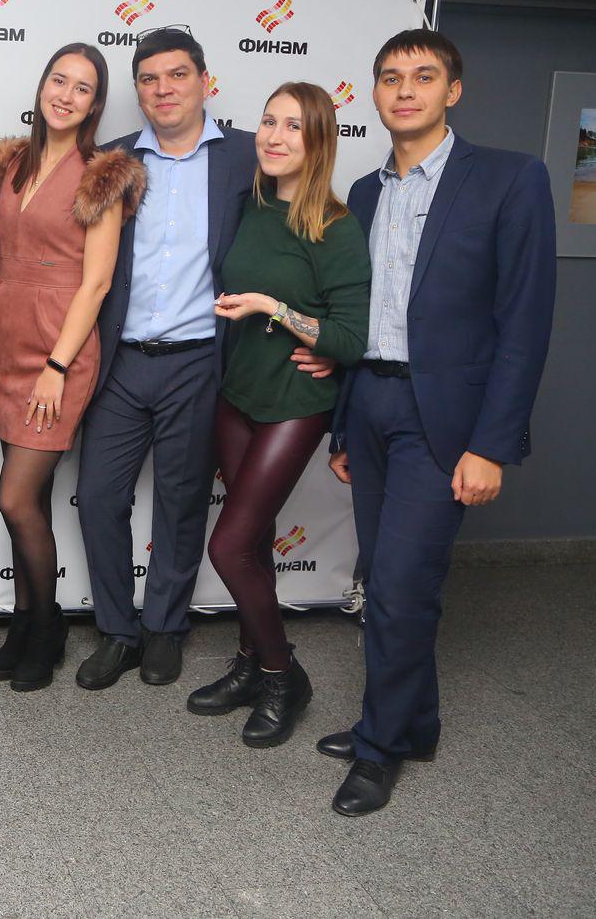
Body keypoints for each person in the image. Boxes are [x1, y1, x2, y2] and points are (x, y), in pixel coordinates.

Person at [318, 29, 555, 815]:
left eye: (424, 76)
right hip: (372, 405)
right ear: (375, 93)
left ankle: (379, 745)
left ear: (453, 91)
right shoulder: (363, 192)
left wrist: (491, 445)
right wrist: (344, 426)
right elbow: (357, 315)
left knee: (395, 587)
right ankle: (415, 724)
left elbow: (524, 323)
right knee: (393, 580)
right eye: (391, 77)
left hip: (445, 420)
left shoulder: (510, 179)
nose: (405, 89)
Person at [74, 26, 334, 692]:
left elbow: (306, 231)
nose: (163, 89)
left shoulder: (249, 156)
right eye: (149, 79)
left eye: (177, 75)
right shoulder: (111, 159)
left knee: (183, 499)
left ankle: (164, 626)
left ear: (204, 81)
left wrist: (327, 336)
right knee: (99, 496)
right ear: (138, 91)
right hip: (120, 359)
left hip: (200, 360)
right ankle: (116, 631)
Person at [185, 82, 371, 747]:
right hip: (237, 394)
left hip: (294, 403)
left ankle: (282, 673)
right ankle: (248, 664)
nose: (274, 135)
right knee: (254, 539)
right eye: (269, 121)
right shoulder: (252, 206)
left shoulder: (337, 227)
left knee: (227, 545)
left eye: (293, 125)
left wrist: (275, 309)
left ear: (318, 141)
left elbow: (351, 338)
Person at [0, 43, 144, 692]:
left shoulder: (102, 176)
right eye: (59, 80)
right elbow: (2, 259)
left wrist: (56, 365)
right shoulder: (11, 163)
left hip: (57, 352)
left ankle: (47, 627)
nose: (66, 95)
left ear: (96, 104)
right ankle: (23, 621)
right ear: (42, 85)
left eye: (82, 88)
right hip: (8, 341)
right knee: (35, 499)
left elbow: (96, 282)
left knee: (14, 498)